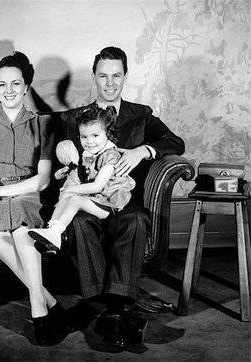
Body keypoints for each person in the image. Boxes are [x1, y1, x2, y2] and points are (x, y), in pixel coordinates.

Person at [60, 46, 185, 350]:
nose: (110, 82)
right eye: (103, 76)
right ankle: (111, 310)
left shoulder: (141, 115)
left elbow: (175, 142)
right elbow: (63, 155)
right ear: (94, 77)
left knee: (137, 221)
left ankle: (112, 311)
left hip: (126, 201)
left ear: (126, 75)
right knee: (79, 222)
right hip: (91, 199)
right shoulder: (77, 119)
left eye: (117, 75)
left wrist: (142, 150)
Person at [0, 52, 71, 346]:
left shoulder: (43, 124)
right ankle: (48, 302)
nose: (9, 90)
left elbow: (43, 179)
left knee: (23, 230)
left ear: (26, 86)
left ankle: (38, 310)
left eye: (16, 83)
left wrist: (3, 190)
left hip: (28, 194)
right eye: (2, 84)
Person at [29, 106, 135, 254]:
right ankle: (51, 233)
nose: (89, 141)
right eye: (84, 137)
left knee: (74, 199)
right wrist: (68, 175)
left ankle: (56, 233)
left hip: (110, 202)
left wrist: (70, 189)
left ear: (108, 134)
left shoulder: (111, 155)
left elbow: (97, 186)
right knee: (67, 196)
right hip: (96, 199)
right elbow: (81, 177)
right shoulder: (88, 154)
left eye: (95, 136)